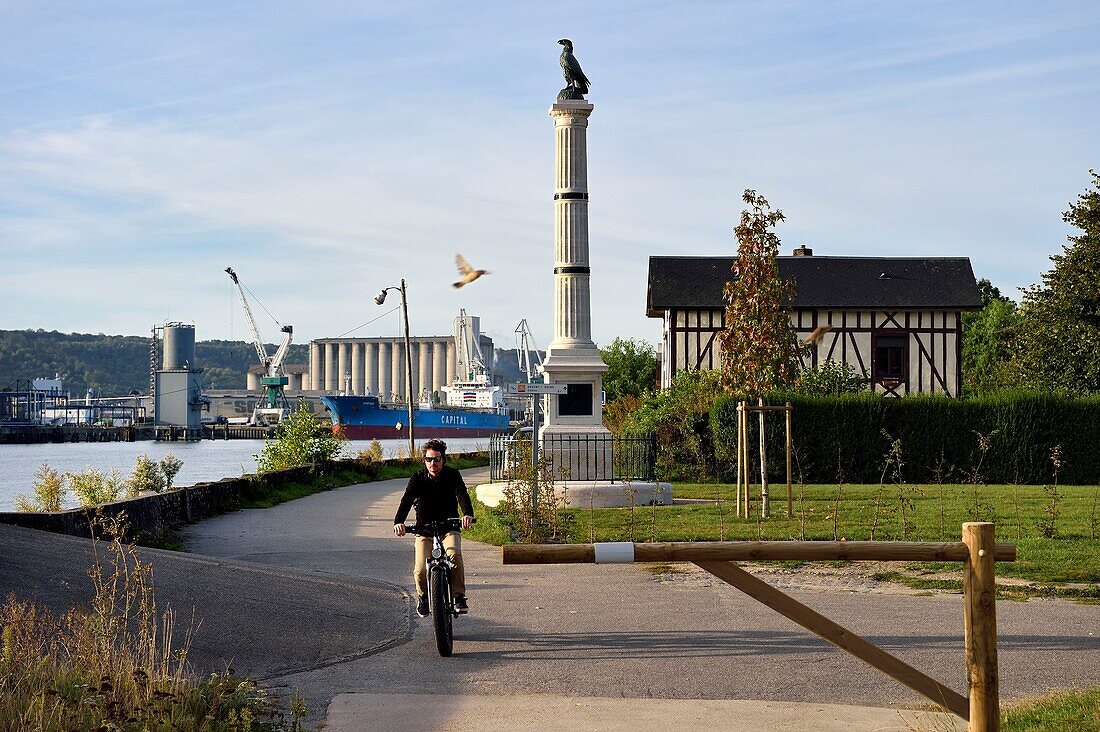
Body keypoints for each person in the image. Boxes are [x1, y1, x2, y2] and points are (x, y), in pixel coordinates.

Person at [393, 439, 474, 617]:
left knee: (454, 556)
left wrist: (467, 514)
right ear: (424, 461)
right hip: (424, 531)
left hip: (448, 528)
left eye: (436, 459)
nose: (433, 463)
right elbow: (406, 501)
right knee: (420, 569)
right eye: (429, 460)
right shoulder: (417, 479)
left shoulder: (452, 475)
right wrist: (398, 522)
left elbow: (462, 494)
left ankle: (459, 596)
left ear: (443, 459)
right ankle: (423, 598)